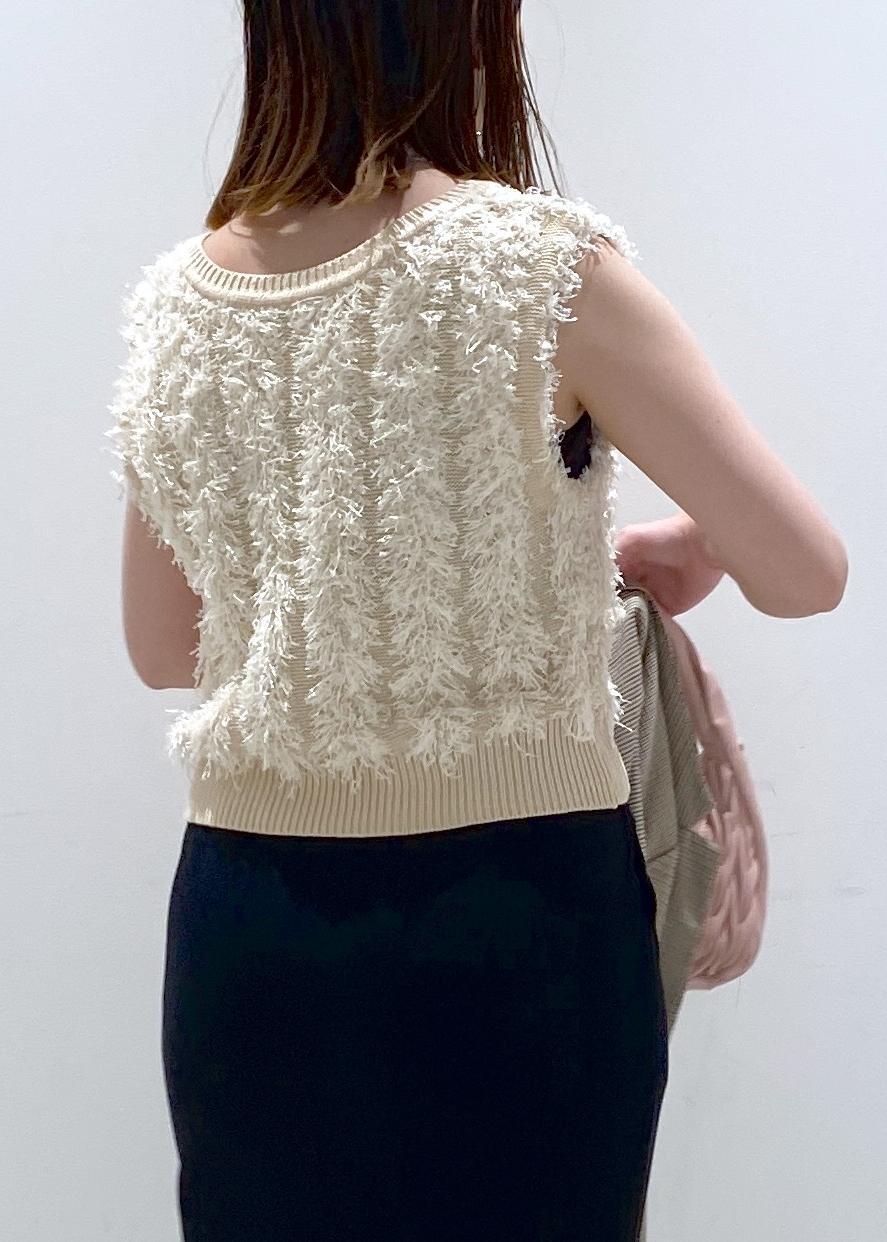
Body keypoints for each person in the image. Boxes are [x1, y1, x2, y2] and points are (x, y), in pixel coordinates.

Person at [104, 3, 848, 1240]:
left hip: (251, 927)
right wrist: (677, 547)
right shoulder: (540, 267)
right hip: (518, 915)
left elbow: (160, 647)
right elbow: (803, 570)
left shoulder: (181, 301)